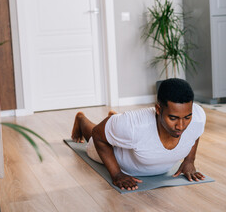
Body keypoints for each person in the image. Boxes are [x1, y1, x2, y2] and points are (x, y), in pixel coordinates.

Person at [71, 78, 206, 191]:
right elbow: (97, 134)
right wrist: (117, 173)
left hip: (125, 129)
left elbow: (196, 132)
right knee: (93, 139)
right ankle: (81, 120)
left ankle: (114, 120)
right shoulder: (133, 126)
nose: (181, 126)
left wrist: (189, 161)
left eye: (187, 117)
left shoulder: (197, 117)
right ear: (158, 109)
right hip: (114, 153)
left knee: (119, 127)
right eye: (173, 118)